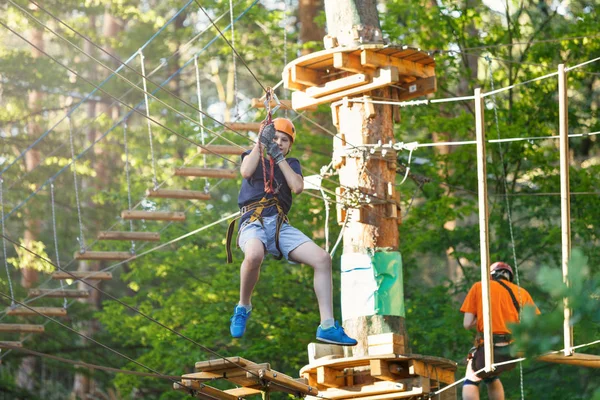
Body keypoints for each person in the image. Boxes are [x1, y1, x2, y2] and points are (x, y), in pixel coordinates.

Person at [228, 117, 357, 346]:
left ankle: (327, 325)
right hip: (253, 220)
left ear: (289, 146)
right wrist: (260, 142)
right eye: (275, 138)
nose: (278, 142)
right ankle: (243, 306)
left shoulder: (292, 163)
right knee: (254, 254)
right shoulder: (254, 155)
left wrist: (279, 159)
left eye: (284, 140)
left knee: (322, 259)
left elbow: (297, 187)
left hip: (279, 225)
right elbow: (246, 172)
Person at [460, 262, 540, 400]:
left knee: (471, 379)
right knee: (490, 376)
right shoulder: (522, 292)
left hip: (490, 348)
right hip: (513, 350)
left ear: (491, 275)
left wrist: (481, 318)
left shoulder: (480, 287)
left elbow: (467, 324)